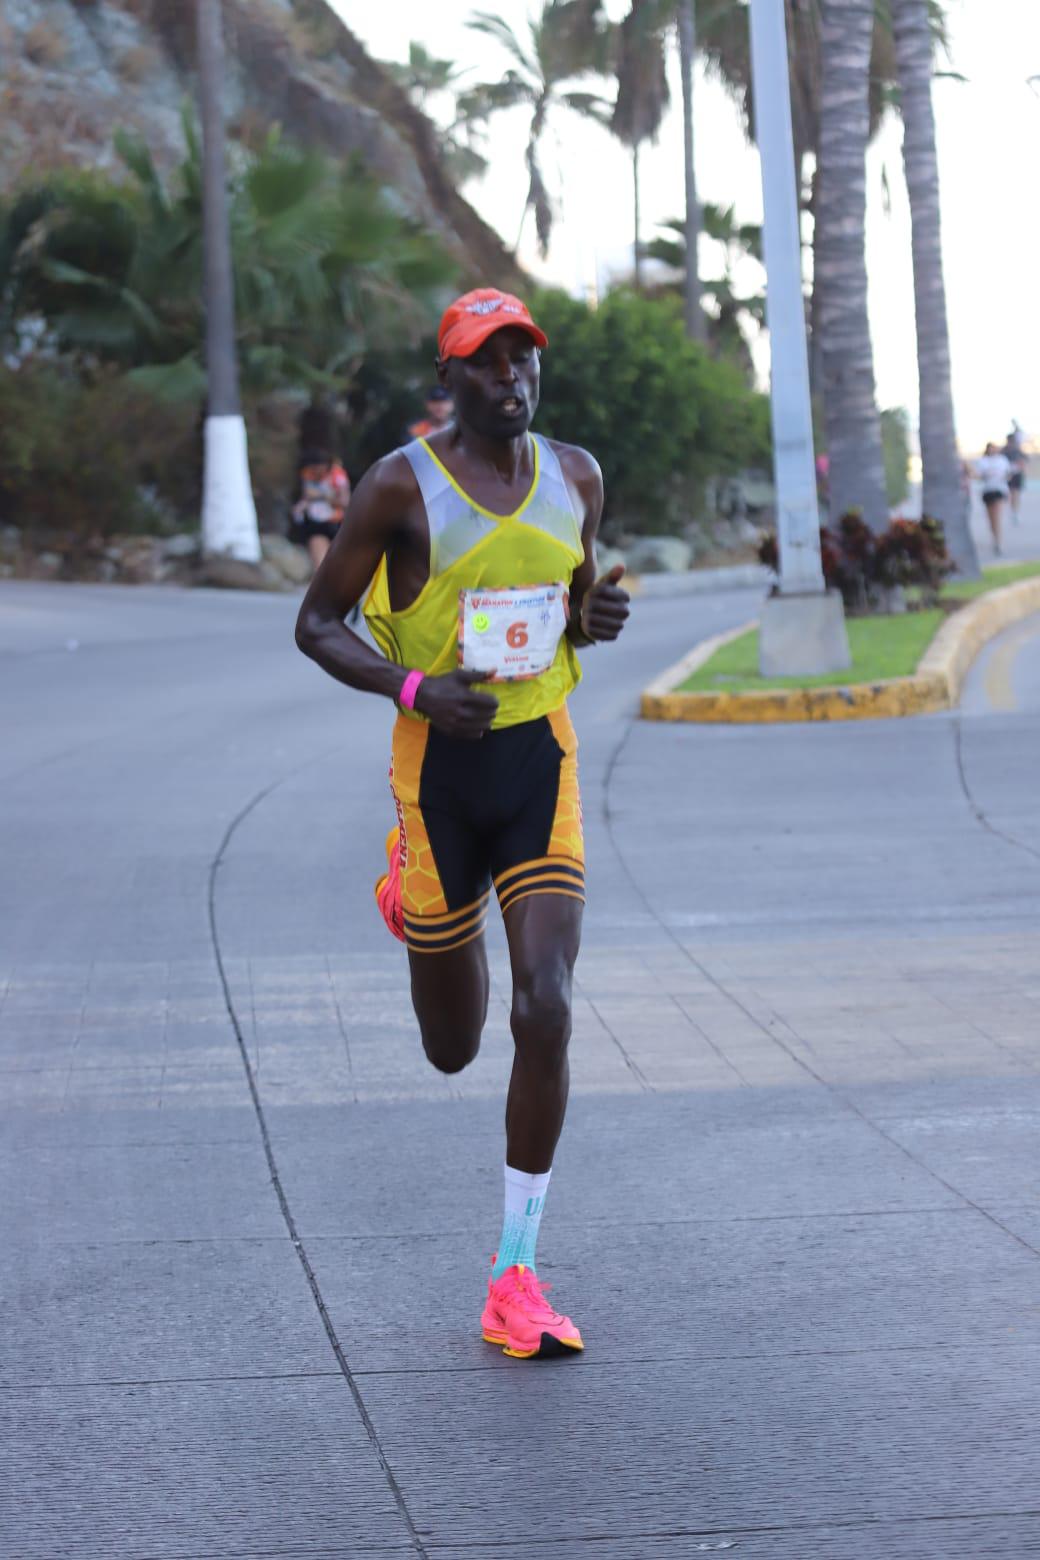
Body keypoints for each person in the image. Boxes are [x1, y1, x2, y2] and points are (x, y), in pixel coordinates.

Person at [296, 288, 629, 1359]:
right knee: (452, 1047)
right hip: (436, 773)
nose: (509, 378)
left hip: (540, 760)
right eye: (485, 363)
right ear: (448, 381)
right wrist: (412, 690)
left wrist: (596, 616)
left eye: (522, 358)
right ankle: (411, 892)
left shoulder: (574, 474)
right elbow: (315, 624)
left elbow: (572, 600)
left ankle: (514, 1272)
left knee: (545, 1004)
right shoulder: (402, 488)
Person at [291, 449, 351, 571]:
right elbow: (307, 495)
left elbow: (344, 501)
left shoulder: (337, 474)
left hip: (337, 522)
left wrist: (322, 496)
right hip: (316, 523)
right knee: (320, 567)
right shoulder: (308, 473)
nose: (315, 473)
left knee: (338, 566)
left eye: (317, 469)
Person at [975, 442, 1013, 556]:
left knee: (996, 516)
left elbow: (1009, 474)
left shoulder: (1002, 460)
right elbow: (978, 476)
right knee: (991, 518)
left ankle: (998, 542)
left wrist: (1004, 478)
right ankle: (994, 537)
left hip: (999, 490)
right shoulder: (983, 461)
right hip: (988, 491)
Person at [1004, 422, 1027, 527]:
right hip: (1008, 475)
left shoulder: (1018, 450)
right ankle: (1012, 510)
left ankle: (1015, 512)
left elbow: (1025, 460)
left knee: (1016, 494)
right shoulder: (1004, 451)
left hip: (1017, 475)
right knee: (1011, 494)